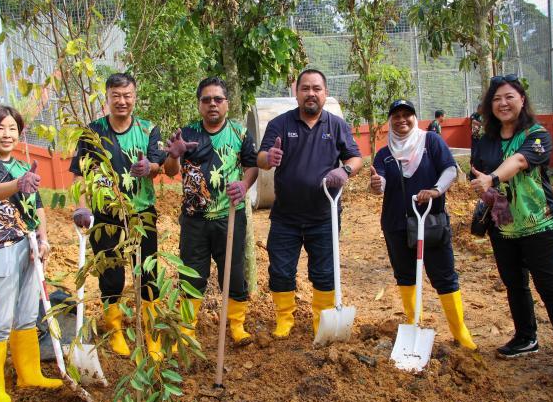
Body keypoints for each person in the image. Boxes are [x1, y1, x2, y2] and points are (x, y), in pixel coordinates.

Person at [470, 75, 553, 389]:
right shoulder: (486, 140)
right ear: (489, 106)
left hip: (539, 224)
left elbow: (521, 161)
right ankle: (525, 337)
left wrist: (492, 179)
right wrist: (487, 192)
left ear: (521, 100)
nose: (503, 103)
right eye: (496, 99)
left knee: (551, 288)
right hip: (504, 225)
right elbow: (477, 171)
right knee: (514, 284)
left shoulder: (537, 135)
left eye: (509, 97)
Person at [0, 105, 62, 402]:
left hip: (29, 246)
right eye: (0, 128)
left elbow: (40, 208)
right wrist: (17, 186)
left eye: (12, 128)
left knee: (25, 315)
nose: (7, 134)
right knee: (1, 321)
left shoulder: (24, 166)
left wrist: (44, 240)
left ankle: (29, 374)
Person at [257, 69, 363, 339]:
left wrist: (345, 171)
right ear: (297, 93)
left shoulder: (336, 125)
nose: (311, 93)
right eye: (305, 88)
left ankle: (321, 320)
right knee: (280, 270)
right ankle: (284, 319)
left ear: (325, 93)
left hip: (324, 215)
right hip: (285, 216)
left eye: (317, 88)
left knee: (325, 272)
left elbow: (355, 158)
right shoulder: (280, 124)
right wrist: (269, 157)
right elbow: (260, 158)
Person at [69, 73, 167, 359]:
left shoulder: (149, 129)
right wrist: (82, 205)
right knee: (110, 273)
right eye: (116, 96)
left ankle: (151, 334)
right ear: (107, 98)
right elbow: (80, 173)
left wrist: (148, 167)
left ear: (135, 97)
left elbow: (158, 165)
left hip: (142, 212)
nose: (122, 101)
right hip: (106, 213)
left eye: (127, 96)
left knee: (147, 273)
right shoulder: (93, 131)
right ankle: (115, 330)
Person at [370, 99, 476, 350]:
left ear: (415, 118)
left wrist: (436, 191)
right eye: (396, 116)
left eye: (407, 115)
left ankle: (460, 331)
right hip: (396, 223)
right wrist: (376, 186)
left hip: (431, 222)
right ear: (390, 121)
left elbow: (450, 169)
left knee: (444, 275)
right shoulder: (384, 154)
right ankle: (412, 325)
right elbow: (381, 184)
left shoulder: (431, 142)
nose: (402, 120)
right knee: (405, 276)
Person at [163, 77, 258, 346]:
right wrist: (174, 155)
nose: (212, 104)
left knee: (234, 272)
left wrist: (244, 183)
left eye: (218, 99)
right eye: (206, 100)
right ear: (199, 105)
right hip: (195, 220)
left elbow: (252, 166)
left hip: (230, 216)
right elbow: (171, 172)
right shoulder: (187, 134)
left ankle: (237, 326)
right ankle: (188, 328)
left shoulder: (239, 133)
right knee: (192, 274)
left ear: (226, 103)